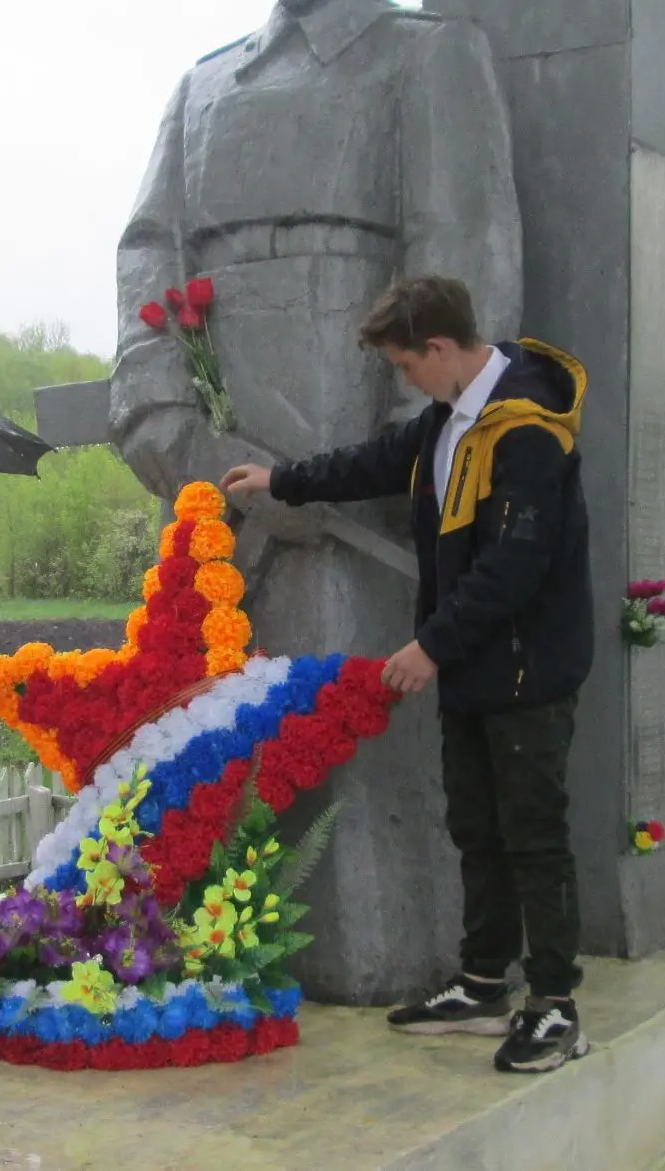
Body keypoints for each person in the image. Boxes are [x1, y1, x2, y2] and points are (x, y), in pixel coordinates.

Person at [223, 276, 594, 1075]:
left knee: (533, 837)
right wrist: (281, 480)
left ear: (440, 347)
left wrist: (430, 647)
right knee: (477, 830)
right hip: (474, 670)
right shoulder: (449, 418)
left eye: (406, 365)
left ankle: (556, 1006)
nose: (407, 379)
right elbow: (377, 462)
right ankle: (484, 985)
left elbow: (515, 567)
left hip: (526, 671)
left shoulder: (526, 430)